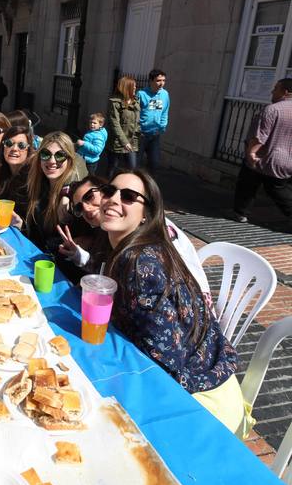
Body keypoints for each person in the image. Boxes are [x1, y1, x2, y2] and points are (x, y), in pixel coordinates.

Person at [99, 169, 245, 435]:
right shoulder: (140, 247)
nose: (114, 199)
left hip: (204, 406)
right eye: (109, 191)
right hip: (208, 384)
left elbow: (166, 361)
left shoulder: (138, 263)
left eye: (129, 196)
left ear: (146, 214)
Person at [58, 176, 209, 293]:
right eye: (79, 208)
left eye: (89, 196)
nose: (87, 209)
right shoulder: (115, 232)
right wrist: (79, 256)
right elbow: (108, 270)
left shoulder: (147, 252)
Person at [233, 78, 292, 226]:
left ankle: (241, 213)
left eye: (276, 88)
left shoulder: (272, 109)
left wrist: (251, 153)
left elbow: (260, 137)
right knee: (278, 189)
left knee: (247, 185)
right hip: (287, 160)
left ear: (285, 92)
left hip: (264, 158)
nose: (272, 91)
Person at [13, 132, 76, 253]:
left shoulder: (73, 198)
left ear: (69, 160)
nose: (52, 161)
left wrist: (66, 194)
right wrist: (22, 226)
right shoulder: (38, 185)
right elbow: (38, 237)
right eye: (46, 154)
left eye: (60, 155)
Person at [0, 124, 33, 221]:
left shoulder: (32, 177)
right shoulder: (1, 171)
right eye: (9, 143)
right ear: (3, 147)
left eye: (21, 145)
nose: (14, 149)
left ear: (28, 150)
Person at [106, 75, 140, 174]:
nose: (135, 88)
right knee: (112, 168)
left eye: (135, 86)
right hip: (117, 142)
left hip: (132, 141)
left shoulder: (136, 101)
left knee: (132, 168)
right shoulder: (115, 103)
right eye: (133, 86)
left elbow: (137, 120)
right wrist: (125, 142)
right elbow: (115, 124)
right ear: (126, 87)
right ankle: (107, 187)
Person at [138, 69, 170, 173]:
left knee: (154, 164)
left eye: (164, 80)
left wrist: (162, 127)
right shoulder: (141, 94)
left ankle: (149, 187)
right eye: (158, 80)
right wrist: (138, 129)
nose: (162, 83)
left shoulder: (165, 94)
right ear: (151, 81)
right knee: (135, 165)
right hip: (141, 135)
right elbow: (135, 114)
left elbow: (165, 111)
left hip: (155, 134)